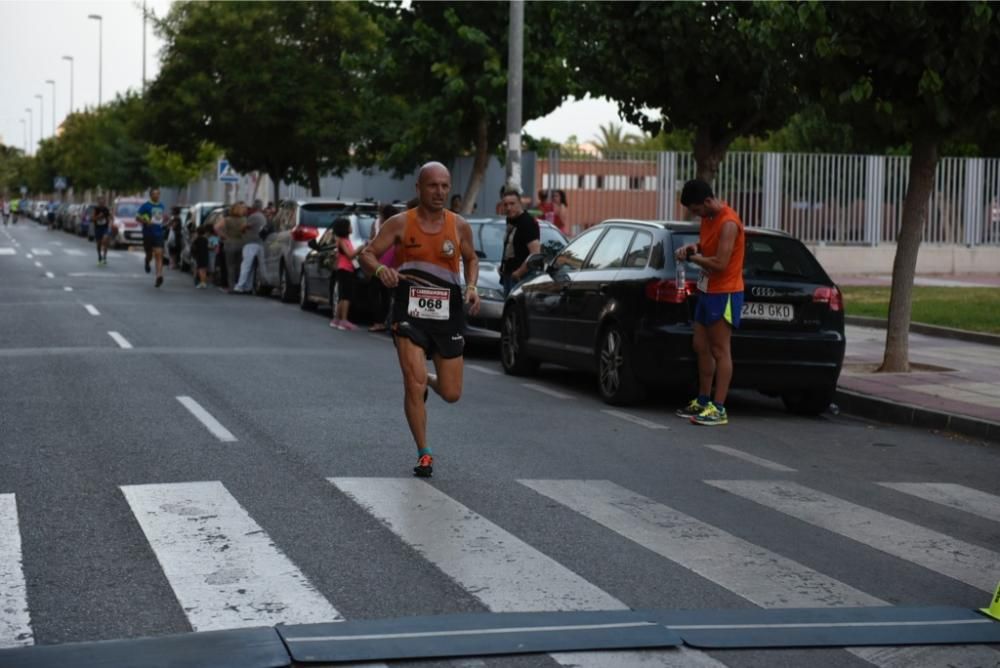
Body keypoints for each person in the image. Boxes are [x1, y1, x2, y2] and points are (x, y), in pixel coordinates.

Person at [359, 161, 481, 478]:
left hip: (447, 311)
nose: (439, 192)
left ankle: (427, 378)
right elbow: (367, 254)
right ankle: (424, 452)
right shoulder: (400, 223)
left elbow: (471, 258)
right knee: (412, 384)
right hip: (409, 308)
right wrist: (381, 270)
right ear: (419, 188)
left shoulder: (458, 225)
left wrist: (471, 287)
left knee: (452, 393)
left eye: (444, 185)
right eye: (432, 185)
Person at [674, 179, 745, 427]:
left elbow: (721, 263)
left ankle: (719, 407)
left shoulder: (728, 223)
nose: (696, 216)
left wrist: (695, 258)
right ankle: (703, 400)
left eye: (696, 210)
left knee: (720, 349)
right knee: (700, 345)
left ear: (706, 201)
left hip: (725, 292)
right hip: (707, 290)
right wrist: (693, 247)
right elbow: (705, 246)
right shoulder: (709, 218)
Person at [499, 188, 541, 295]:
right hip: (508, 275)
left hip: (521, 278)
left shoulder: (527, 222)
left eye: (512, 204)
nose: (508, 207)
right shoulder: (510, 219)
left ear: (520, 203)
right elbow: (511, 246)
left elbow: (535, 254)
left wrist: (518, 273)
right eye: (505, 204)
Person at [367, 203, 399, 332]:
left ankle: (379, 321)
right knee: (387, 293)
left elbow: (372, 241)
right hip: (391, 261)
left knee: (377, 292)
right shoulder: (397, 225)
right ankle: (386, 321)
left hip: (381, 261)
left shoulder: (382, 225)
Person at [330, 216, 363, 331]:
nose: (351, 227)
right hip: (345, 270)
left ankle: (336, 319)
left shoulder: (345, 240)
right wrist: (360, 248)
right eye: (349, 226)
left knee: (343, 295)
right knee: (346, 296)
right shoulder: (342, 241)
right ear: (344, 228)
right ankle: (344, 320)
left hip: (345, 269)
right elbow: (350, 255)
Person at [232, 200, 267, 294]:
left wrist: (242, 230)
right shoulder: (263, 217)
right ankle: (248, 287)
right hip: (260, 243)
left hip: (251, 243)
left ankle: (239, 287)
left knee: (246, 265)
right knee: (252, 267)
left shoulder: (253, 216)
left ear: (254, 207)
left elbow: (243, 227)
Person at [137, 187, 168, 288]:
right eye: (154, 194)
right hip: (148, 234)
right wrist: (146, 221)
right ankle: (147, 261)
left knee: (159, 254)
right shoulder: (146, 206)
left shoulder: (161, 206)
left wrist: (166, 221)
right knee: (149, 254)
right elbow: (137, 217)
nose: (157, 196)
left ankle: (159, 276)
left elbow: (162, 218)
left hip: (158, 233)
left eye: (158, 194)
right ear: (151, 195)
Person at [218, 201, 248, 292]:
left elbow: (216, 227)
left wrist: (224, 236)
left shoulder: (226, 219)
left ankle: (231, 286)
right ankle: (239, 285)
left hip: (229, 243)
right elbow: (245, 230)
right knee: (239, 265)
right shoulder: (244, 219)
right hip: (241, 243)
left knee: (230, 266)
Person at [92, 195, 112, 265]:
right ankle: (99, 256)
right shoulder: (96, 209)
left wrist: (110, 222)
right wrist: (98, 216)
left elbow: (110, 217)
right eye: (100, 201)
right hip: (97, 228)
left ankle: (104, 257)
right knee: (98, 244)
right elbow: (93, 219)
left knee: (105, 240)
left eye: (103, 201)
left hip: (105, 228)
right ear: (98, 202)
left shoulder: (106, 209)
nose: (102, 202)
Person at [191, 224, 211, 289]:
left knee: (200, 270)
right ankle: (204, 282)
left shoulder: (197, 240)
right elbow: (208, 246)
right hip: (205, 255)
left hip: (199, 256)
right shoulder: (205, 239)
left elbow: (194, 248)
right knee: (204, 270)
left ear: (197, 232)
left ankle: (202, 282)